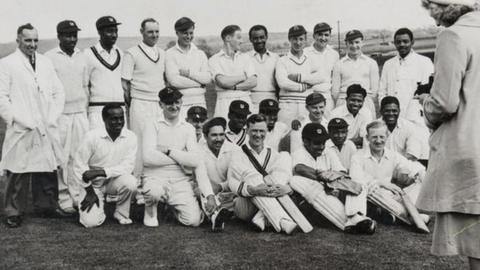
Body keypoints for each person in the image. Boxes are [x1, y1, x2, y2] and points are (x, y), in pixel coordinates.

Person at [416, 1, 480, 268]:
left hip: (469, 148)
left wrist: (425, 104)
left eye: (432, 6)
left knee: (476, 243)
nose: (431, 15)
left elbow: (445, 102)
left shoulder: (452, 35)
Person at [0, 23, 65, 228]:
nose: (32, 44)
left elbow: (58, 92)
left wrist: (52, 116)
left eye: (36, 40)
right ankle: (13, 211)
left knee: (46, 166)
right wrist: (17, 119)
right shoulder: (7, 63)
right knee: (18, 168)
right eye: (28, 40)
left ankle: (46, 206)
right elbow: (2, 97)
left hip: (45, 123)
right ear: (18, 40)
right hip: (22, 124)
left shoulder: (45, 63)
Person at [141, 87, 216, 227]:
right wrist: (182, 158)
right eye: (169, 103)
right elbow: (148, 158)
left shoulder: (188, 128)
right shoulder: (151, 123)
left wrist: (168, 151)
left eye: (177, 102)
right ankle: (150, 210)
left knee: (193, 221)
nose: (174, 106)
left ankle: (171, 209)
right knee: (154, 192)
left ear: (181, 102)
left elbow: (195, 161)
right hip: (155, 176)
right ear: (161, 104)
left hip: (180, 179)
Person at [290, 123, 376, 234]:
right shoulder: (298, 152)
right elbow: (300, 169)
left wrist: (334, 178)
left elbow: (341, 172)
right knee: (317, 188)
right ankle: (351, 223)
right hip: (310, 202)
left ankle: (356, 217)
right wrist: (326, 179)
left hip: (331, 190)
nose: (321, 147)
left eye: (323, 143)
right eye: (317, 143)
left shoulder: (328, 151)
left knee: (357, 184)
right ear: (305, 141)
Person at [45, 20, 89, 214]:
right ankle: (63, 197)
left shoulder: (83, 56)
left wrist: (84, 110)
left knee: (79, 156)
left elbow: (85, 85)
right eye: (67, 35)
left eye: (74, 35)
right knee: (62, 157)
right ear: (59, 36)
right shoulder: (49, 57)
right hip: (60, 115)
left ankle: (77, 195)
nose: (72, 39)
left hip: (80, 113)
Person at [227, 114, 298, 234]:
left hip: (268, 198)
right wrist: (254, 190)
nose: (258, 135)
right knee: (253, 178)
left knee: (285, 156)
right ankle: (282, 221)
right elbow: (232, 182)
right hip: (245, 205)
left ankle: (261, 218)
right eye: (254, 131)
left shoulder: (273, 153)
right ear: (247, 131)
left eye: (262, 131)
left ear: (266, 132)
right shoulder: (237, 153)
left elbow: (283, 178)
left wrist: (286, 189)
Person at [349, 121, 427, 227]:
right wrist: (382, 183)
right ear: (367, 138)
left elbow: (412, 167)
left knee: (420, 181)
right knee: (367, 189)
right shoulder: (357, 156)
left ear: (387, 136)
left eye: (382, 137)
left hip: (389, 198)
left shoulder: (393, 155)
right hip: (369, 195)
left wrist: (420, 174)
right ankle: (409, 215)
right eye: (374, 137)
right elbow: (356, 180)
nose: (378, 141)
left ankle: (392, 214)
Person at [73, 105, 137, 228]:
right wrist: (89, 191)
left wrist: (101, 172)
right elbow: (78, 165)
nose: (118, 122)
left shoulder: (131, 137)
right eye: (114, 118)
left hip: (114, 180)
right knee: (90, 223)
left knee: (131, 182)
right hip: (93, 185)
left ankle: (121, 213)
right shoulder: (91, 137)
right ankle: (97, 207)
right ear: (104, 119)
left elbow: (127, 167)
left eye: (121, 118)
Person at [378, 27, 433, 162]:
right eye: (398, 42)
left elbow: (429, 90)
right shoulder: (388, 64)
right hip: (393, 116)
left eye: (405, 41)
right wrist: (387, 111)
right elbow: (382, 91)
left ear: (412, 42)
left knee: (420, 154)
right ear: (394, 43)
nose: (402, 44)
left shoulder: (424, 62)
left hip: (416, 117)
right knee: (393, 155)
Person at [122, 18, 166, 179]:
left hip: (158, 104)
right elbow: (125, 84)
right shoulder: (131, 53)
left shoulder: (162, 53)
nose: (154, 35)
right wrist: (133, 103)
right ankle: (138, 182)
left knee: (157, 142)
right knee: (139, 143)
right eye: (150, 32)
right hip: (139, 102)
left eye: (157, 32)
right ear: (142, 32)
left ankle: (156, 180)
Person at [276, 25, 322, 125]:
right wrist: (303, 86)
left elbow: (320, 77)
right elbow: (283, 83)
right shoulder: (282, 60)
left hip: (306, 104)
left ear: (305, 39)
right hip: (287, 104)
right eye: (294, 39)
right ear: (289, 39)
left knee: (306, 135)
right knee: (284, 135)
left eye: (301, 39)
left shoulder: (311, 59)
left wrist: (299, 77)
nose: (298, 42)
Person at [165, 17, 211, 118]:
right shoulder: (169, 54)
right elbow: (174, 81)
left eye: (191, 33)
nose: (189, 36)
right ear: (177, 33)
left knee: (200, 131)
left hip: (200, 101)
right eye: (185, 33)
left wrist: (189, 73)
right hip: (180, 104)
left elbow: (207, 78)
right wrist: (199, 84)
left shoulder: (200, 54)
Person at [85, 16, 124, 129]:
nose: (114, 35)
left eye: (116, 31)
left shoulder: (120, 53)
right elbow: (84, 84)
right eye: (109, 31)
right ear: (100, 32)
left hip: (119, 110)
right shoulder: (88, 54)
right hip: (97, 110)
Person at [198, 117, 238, 231]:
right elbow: (201, 177)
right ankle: (215, 216)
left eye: (221, 135)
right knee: (200, 191)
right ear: (205, 136)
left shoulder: (234, 149)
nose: (219, 139)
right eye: (214, 135)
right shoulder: (198, 151)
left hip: (229, 191)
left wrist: (221, 186)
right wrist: (210, 192)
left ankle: (216, 212)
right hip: (208, 193)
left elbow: (234, 177)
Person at [209, 25, 257, 119]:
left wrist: (234, 86)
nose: (242, 41)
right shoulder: (214, 60)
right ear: (228, 38)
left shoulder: (245, 58)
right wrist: (243, 77)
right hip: (224, 103)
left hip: (245, 100)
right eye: (238, 37)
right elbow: (223, 82)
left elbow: (253, 81)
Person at [332, 30, 379, 117]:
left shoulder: (371, 63)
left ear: (362, 43)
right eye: (351, 43)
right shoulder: (339, 64)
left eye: (357, 42)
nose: (354, 46)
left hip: (365, 101)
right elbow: (335, 92)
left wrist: (364, 100)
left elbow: (375, 90)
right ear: (346, 44)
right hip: (344, 101)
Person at [304, 23, 340, 116]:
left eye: (326, 35)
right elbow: (304, 77)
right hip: (309, 95)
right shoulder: (305, 53)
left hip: (327, 96)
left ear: (330, 36)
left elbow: (335, 78)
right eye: (320, 35)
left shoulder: (334, 54)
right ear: (314, 36)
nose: (323, 38)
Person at [329, 84, 373, 148]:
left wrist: (344, 142)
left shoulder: (367, 113)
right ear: (346, 99)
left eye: (359, 101)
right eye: (353, 100)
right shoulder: (335, 113)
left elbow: (364, 139)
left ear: (363, 101)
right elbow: (332, 139)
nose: (356, 104)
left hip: (358, 148)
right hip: (336, 148)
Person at [379, 96, 422, 161]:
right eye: (387, 111)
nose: (391, 114)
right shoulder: (373, 127)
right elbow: (369, 153)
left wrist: (393, 163)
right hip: (380, 166)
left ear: (399, 111)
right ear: (381, 111)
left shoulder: (409, 127)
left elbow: (413, 154)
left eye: (394, 111)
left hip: (404, 165)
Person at [247, 25, 279, 112]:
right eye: (255, 38)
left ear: (266, 37)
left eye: (262, 37)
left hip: (271, 98)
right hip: (251, 99)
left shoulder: (276, 57)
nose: (259, 41)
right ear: (250, 39)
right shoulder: (245, 58)